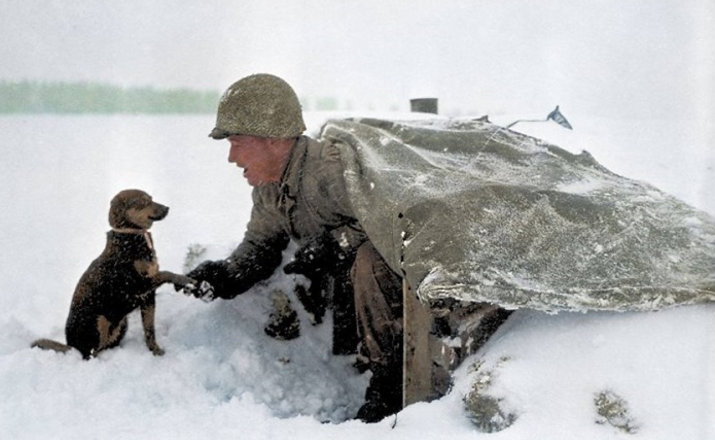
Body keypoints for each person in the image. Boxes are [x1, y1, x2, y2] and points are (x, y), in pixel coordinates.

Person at [184, 73, 507, 423]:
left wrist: (336, 243)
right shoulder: (269, 190)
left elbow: (394, 220)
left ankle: (391, 385)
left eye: (237, 143)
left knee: (370, 259)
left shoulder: (332, 170)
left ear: (275, 141)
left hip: (406, 278)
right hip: (358, 298)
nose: (231, 158)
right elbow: (261, 245)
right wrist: (227, 275)